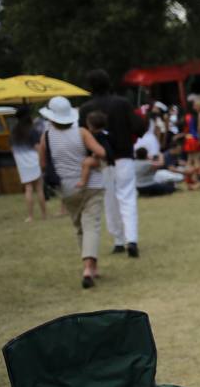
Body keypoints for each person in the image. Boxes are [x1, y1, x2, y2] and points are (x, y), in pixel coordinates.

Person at [38, 96, 107, 286]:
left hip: (67, 188)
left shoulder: (46, 137)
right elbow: (101, 152)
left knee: (80, 228)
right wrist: (88, 161)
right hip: (93, 184)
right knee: (91, 225)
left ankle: (90, 266)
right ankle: (89, 267)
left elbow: (43, 164)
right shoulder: (82, 132)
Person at [80, 69, 142, 254]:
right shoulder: (122, 103)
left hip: (101, 161)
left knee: (109, 200)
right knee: (127, 198)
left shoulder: (85, 109)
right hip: (124, 157)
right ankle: (132, 239)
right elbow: (139, 127)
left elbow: (81, 137)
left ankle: (118, 240)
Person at [10, 106, 46, 221]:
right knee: (39, 189)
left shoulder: (13, 132)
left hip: (22, 164)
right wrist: (43, 160)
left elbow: (12, 149)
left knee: (28, 189)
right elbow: (38, 147)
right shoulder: (32, 130)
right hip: (35, 161)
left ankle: (30, 216)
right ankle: (44, 215)